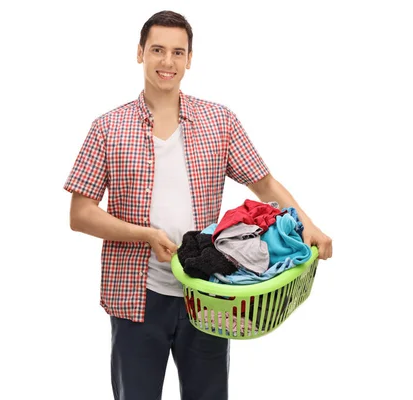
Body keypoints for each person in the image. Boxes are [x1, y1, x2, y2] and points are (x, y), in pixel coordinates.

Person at [64, 10, 333, 400]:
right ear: (140, 53)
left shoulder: (218, 121)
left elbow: (265, 183)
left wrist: (310, 226)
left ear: (190, 58)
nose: (167, 62)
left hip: (209, 295)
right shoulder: (108, 127)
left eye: (178, 52)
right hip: (137, 296)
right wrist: (145, 235)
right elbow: (80, 214)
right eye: (157, 50)